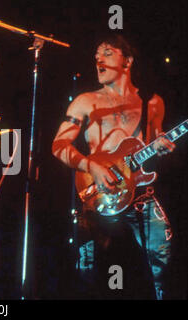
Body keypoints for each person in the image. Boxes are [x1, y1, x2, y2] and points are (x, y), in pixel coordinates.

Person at [52, 34, 174, 299]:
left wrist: (161, 148)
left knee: (163, 262)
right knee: (87, 269)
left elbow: (154, 145)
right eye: (96, 56)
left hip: (140, 193)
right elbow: (59, 146)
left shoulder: (153, 103)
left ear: (127, 61)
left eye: (107, 53)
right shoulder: (86, 101)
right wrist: (90, 166)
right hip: (97, 195)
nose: (99, 60)